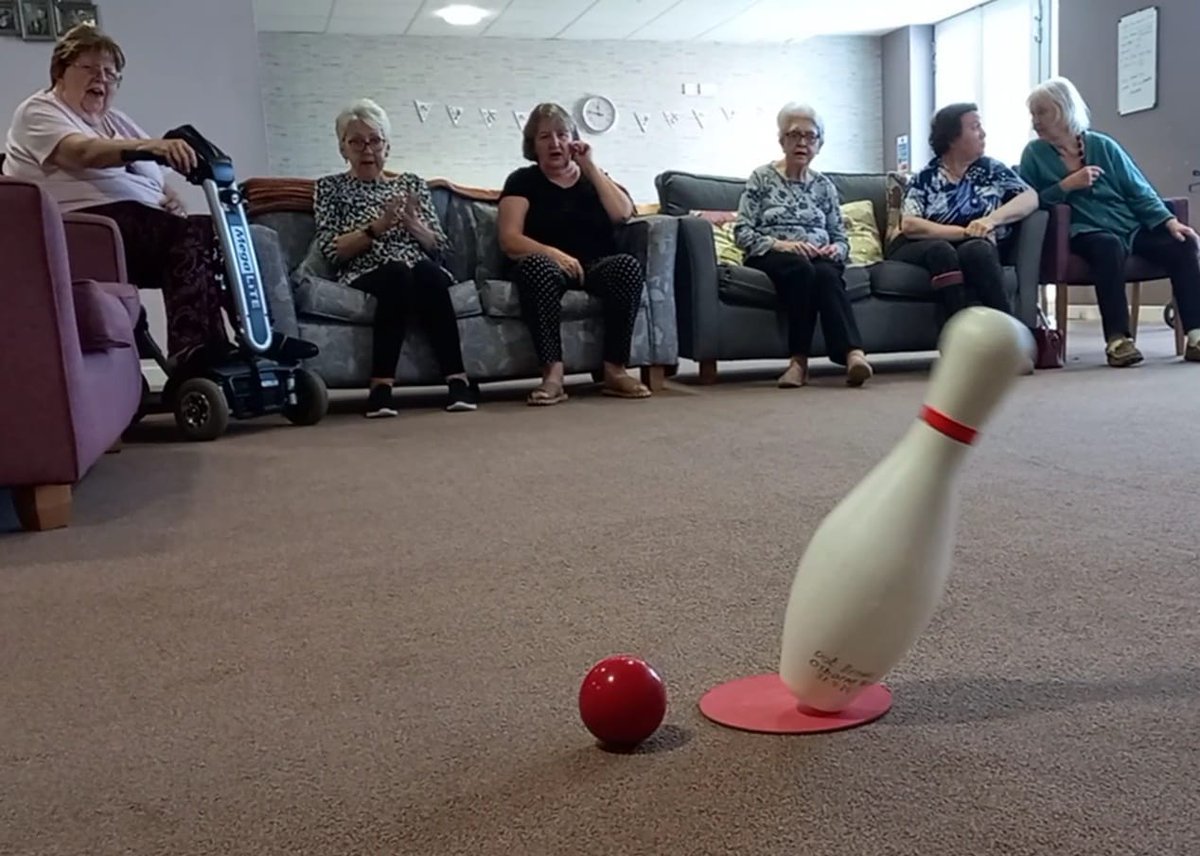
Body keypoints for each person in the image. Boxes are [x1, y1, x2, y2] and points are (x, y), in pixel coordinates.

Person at [1, 24, 312, 365]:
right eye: (89, 68)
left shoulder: (117, 122)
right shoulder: (41, 110)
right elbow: (82, 153)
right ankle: (193, 349)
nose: (101, 79)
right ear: (60, 72)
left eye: (110, 73)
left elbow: (152, 177)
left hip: (134, 223)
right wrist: (152, 146)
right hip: (82, 229)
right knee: (193, 234)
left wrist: (168, 194)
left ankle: (257, 338)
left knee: (232, 237)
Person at [313, 98, 477, 417]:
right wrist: (377, 227)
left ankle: (458, 382)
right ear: (342, 148)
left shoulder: (411, 184)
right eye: (356, 142)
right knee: (398, 273)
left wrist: (415, 226)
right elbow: (333, 250)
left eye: (375, 140)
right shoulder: (329, 188)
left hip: (420, 269)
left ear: (387, 147)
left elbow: (440, 248)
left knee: (427, 272)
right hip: (367, 271)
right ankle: (381, 388)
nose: (367, 150)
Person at [1020, 76, 1200, 366]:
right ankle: (1118, 341)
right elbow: (1029, 201)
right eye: (1033, 114)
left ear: (1064, 110)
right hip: (1082, 231)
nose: (1035, 121)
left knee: (1183, 242)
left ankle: (1196, 336)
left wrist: (1169, 222)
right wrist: (1066, 186)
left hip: (1129, 225)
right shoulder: (1034, 155)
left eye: (1042, 112)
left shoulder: (1104, 146)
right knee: (1108, 246)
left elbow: (1138, 190)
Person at [497, 102, 652, 406]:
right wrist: (554, 254)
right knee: (536, 268)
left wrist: (590, 167)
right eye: (545, 137)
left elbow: (622, 214)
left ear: (574, 140)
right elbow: (509, 239)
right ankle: (553, 377)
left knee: (626, 266)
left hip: (594, 263)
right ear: (533, 145)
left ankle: (614, 370)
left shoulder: (592, 178)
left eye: (562, 135)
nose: (555, 143)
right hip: (545, 264)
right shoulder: (522, 181)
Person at [732, 102, 873, 389]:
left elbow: (840, 237)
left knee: (826, 273)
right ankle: (798, 362)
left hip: (818, 256)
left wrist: (836, 250)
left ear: (819, 144)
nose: (802, 143)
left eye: (810, 136)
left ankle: (853, 355)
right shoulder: (761, 178)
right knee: (801, 270)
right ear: (782, 140)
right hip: (772, 254)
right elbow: (742, 231)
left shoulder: (824, 186)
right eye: (795, 135)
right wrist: (782, 245)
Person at [889, 103, 1038, 323]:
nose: (983, 133)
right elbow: (911, 225)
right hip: (919, 246)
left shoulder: (991, 170)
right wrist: (966, 232)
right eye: (975, 127)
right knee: (942, 251)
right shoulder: (926, 178)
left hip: (973, 243)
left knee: (978, 250)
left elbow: (1030, 197)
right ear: (952, 138)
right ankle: (959, 329)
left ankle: (1008, 330)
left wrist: (990, 220)